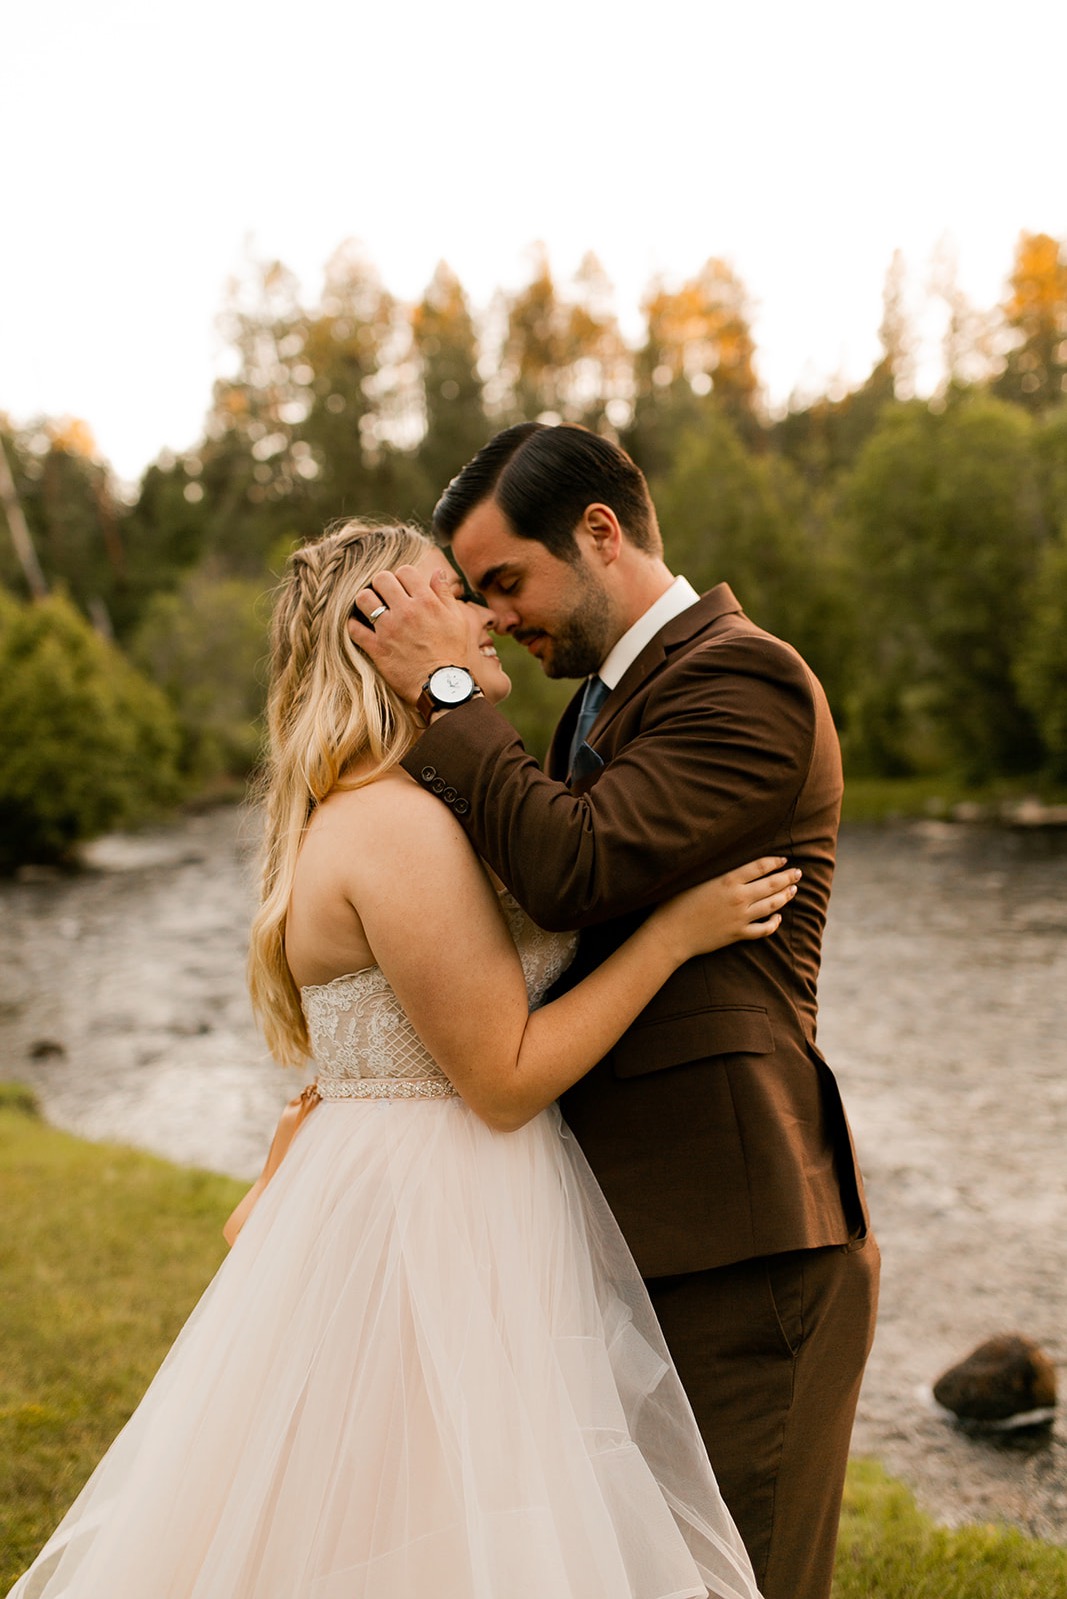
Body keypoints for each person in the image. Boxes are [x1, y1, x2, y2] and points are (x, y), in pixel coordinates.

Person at [7, 518, 803, 1599]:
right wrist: (673, 934)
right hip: (431, 1211)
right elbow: (505, 1079)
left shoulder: (409, 803)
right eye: (443, 596)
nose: (479, 615)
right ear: (372, 638)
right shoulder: (392, 825)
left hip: (443, 1193)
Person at [351, 424, 880, 1599]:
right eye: (473, 597)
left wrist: (441, 689)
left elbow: (572, 868)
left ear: (597, 533)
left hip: (742, 1241)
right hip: (619, 1234)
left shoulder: (741, 677)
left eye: (503, 583)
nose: (489, 619)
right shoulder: (594, 705)